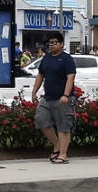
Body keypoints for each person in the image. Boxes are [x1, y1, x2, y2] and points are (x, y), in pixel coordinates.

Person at [31, 35, 76, 164]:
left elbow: (70, 78)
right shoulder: (46, 58)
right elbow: (40, 75)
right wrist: (34, 92)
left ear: (61, 44)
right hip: (47, 98)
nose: (52, 45)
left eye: (55, 42)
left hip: (62, 98)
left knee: (63, 126)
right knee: (41, 120)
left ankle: (62, 154)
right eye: (50, 43)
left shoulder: (67, 59)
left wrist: (66, 95)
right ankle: (57, 144)